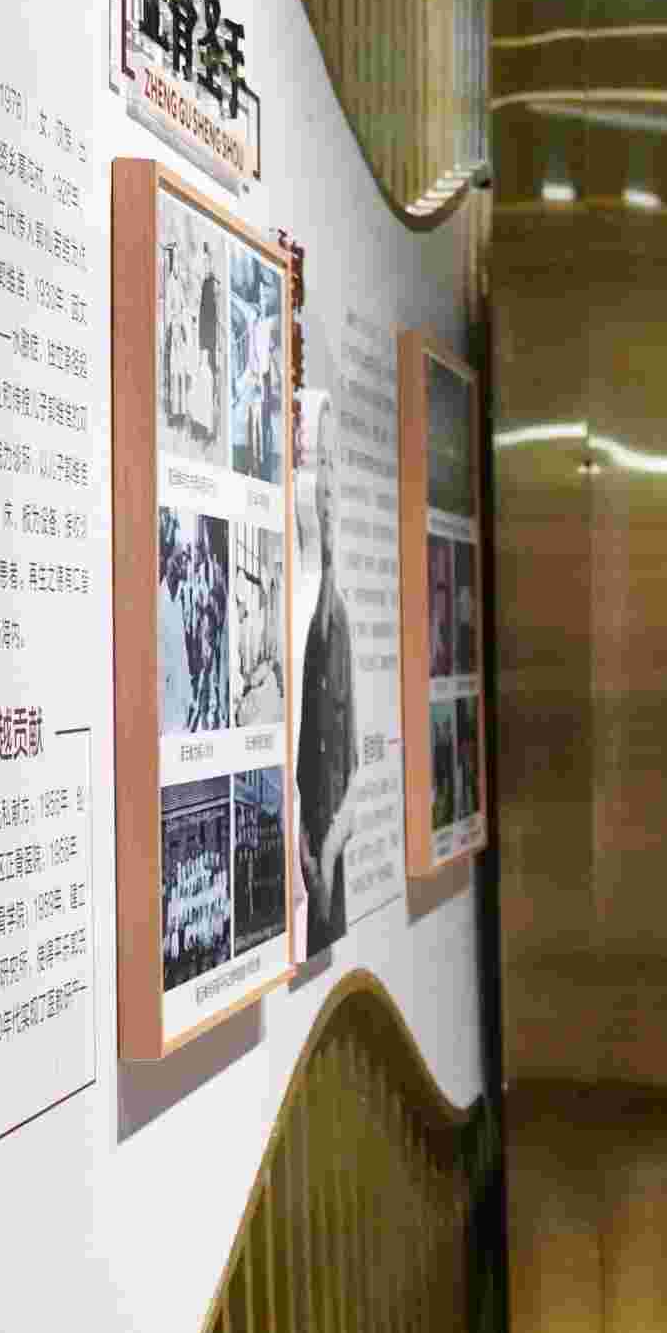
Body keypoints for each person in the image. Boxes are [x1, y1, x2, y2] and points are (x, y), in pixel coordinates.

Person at [298, 409, 356, 954]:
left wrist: (332, 852)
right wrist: (305, 847)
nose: (330, 485)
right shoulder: (304, 613)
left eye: (336, 465)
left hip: (330, 868)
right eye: (322, 465)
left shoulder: (340, 616)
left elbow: (355, 766)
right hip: (305, 863)